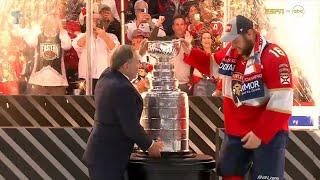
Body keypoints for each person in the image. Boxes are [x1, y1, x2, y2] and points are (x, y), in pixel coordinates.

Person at [185, 15, 292, 180]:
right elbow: (211, 65)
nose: (232, 44)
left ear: (250, 33)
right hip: (236, 131)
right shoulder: (231, 51)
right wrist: (189, 52)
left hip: (268, 133)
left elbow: (282, 103)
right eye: (230, 40)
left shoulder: (274, 56)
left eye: (236, 39)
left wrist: (260, 133)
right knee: (229, 174)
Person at [83, 45, 164, 180]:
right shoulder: (122, 88)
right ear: (126, 66)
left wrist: (138, 52)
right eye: (137, 62)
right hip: (108, 158)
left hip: (101, 153)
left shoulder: (107, 75)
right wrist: (150, 146)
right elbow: (130, 126)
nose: (139, 65)